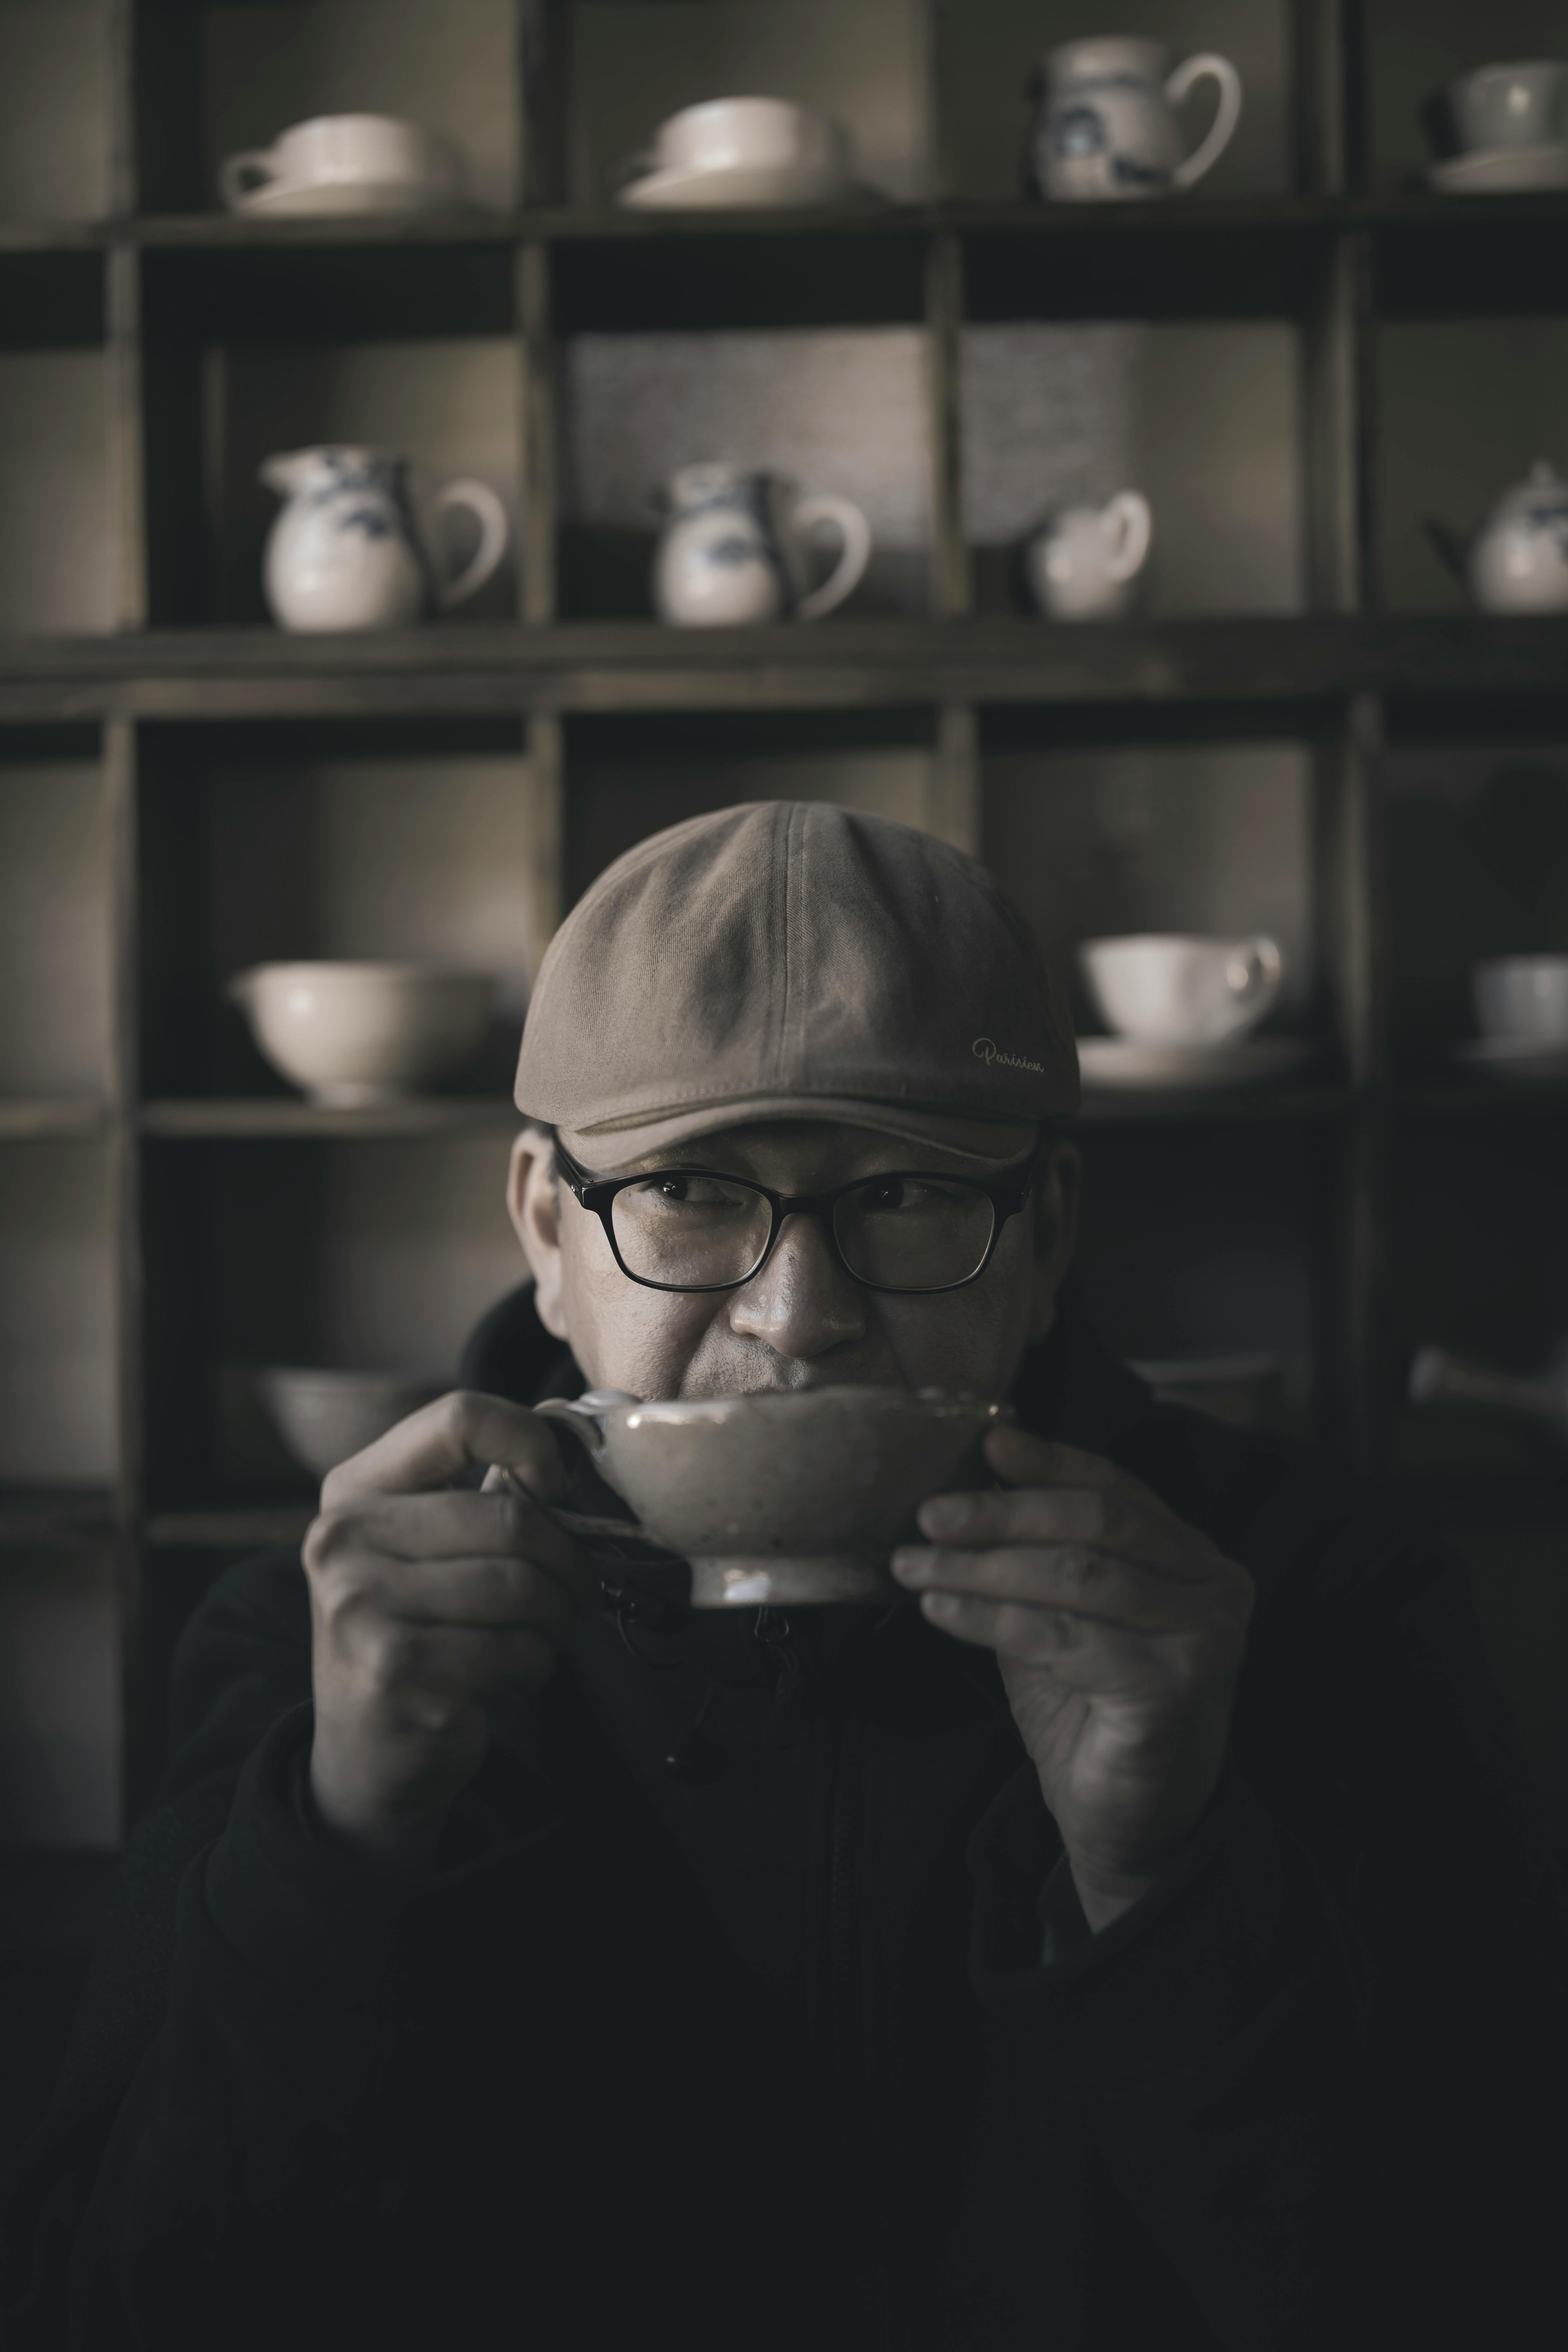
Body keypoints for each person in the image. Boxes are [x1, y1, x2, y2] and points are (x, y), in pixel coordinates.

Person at [4, 801, 1564, 2352]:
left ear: (1045, 1240)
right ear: (548, 1229)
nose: (798, 1316)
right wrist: (337, 1850)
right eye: (687, 1191)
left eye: (902, 1196)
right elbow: (119, 2307)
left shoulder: (1300, 1594)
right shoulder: (329, 1647)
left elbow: (1465, 2283)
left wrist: (1164, 1879)